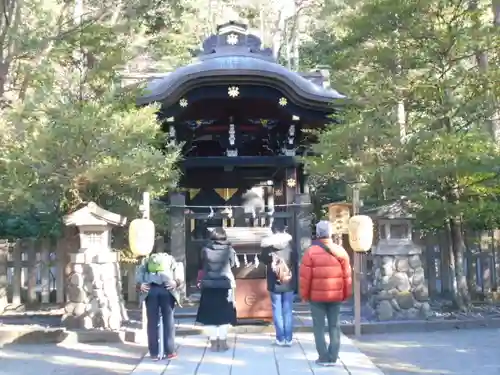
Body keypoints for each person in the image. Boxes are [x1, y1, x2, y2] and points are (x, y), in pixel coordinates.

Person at [299, 220, 352, 367]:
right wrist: (346, 294)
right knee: (334, 325)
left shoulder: (310, 252)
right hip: (335, 296)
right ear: (330, 233)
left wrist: (304, 295)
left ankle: (323, 357)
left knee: (318, 326)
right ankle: (333, 356)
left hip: (316, 297)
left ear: (318, 233)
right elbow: (347, 276)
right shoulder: (341, 251)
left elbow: (305, 277)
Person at [136, 251, 184, 360]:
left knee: (152, 322)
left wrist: (140, 285)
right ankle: (170, 351)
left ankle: (154, 353)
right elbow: (179, 276)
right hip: (167, 289)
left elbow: (139, 275)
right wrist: (176, 283)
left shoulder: (147, 261)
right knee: (168, 320)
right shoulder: (171, 259)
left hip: (150, 290)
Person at [196, 227, 237, 352]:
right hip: (224, 284)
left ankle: (213, 343)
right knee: (224, 314)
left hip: (208, 284)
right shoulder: (229, 250)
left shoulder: (205, 250)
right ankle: (223, 342)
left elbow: (201, 265)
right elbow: (233, 264)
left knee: (210, 315)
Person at [260, 222, 296, 347]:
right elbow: (296, 260)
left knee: (277, 310)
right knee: (288, 310)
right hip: (289, 280)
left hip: (274, 281)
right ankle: (289, 338)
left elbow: (263, 260)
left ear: (273, 231)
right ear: (284, 230)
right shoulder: (291, 244)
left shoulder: (268, 245)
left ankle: (280, 338)